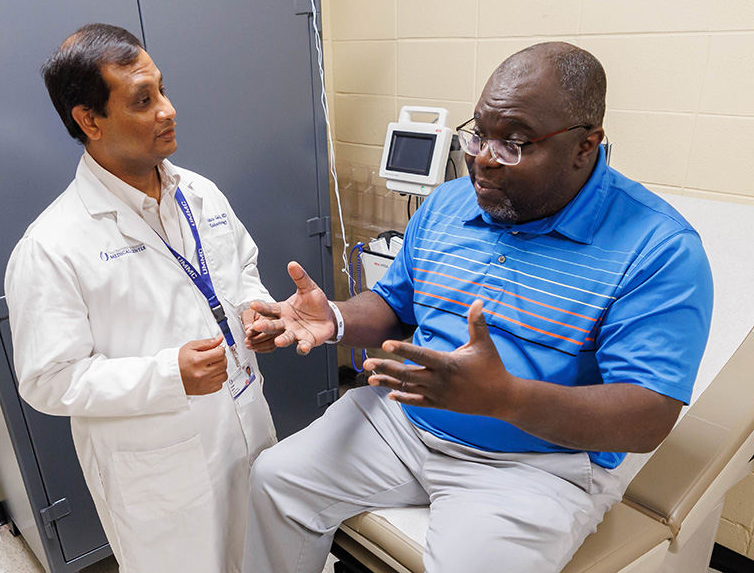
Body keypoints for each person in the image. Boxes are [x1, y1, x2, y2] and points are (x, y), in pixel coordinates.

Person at [240, 42, 713, 573]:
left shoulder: (658, 248)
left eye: (513, 142)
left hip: (536, 462)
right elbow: (395, 302)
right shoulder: (451, 202)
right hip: (401, 422)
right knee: (275, 481)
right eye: (479, 133)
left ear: (586, 145)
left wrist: (505, 398)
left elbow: (647, 416)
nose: (483, 158)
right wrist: (339, 320)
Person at [4, 23, 277, 573]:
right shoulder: (52, 245)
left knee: (265, 557)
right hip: (160, 470)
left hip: (246, 419)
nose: (168, 110)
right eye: (143, 100)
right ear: (89, 120)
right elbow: (47, 379)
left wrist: (255, 309)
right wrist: (166, 374)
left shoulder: (200, 193)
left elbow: (240, 265)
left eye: (163, 90)